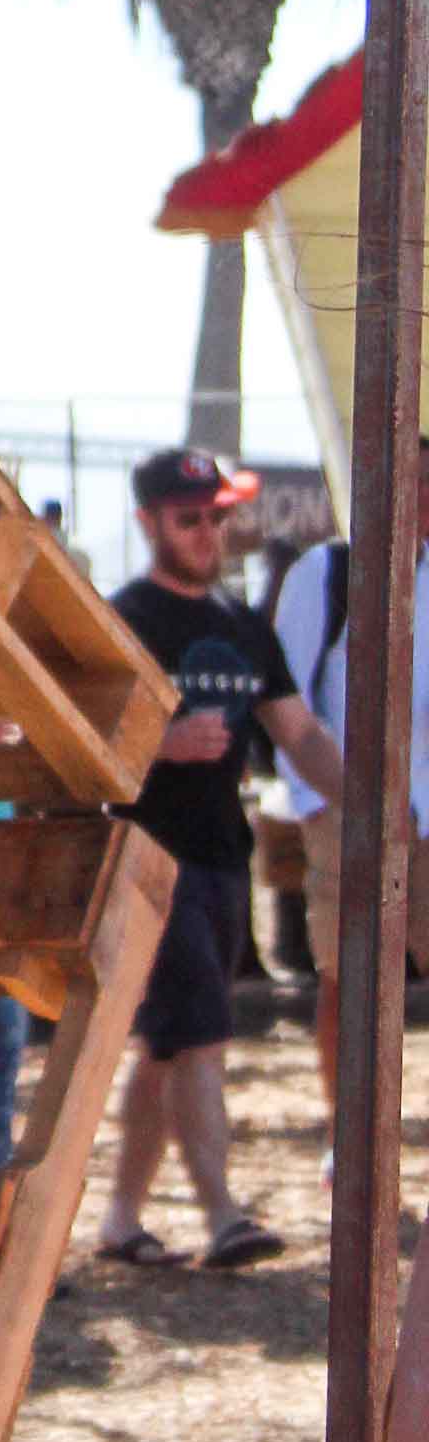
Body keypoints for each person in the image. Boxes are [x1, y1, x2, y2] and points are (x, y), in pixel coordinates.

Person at [96, 446, 342, 1271]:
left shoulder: (240, 625)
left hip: (222, 859)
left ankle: (122, 1220)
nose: (209, 533)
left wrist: (371, 799)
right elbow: (79, 743)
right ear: (150, 523)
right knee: (200, 1039)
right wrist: (159, 743)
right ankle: (224, 1215)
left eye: (217, 516)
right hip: (146, 860)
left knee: (168, 1048)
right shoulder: (122, 621)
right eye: (189, 518)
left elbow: (297, 732)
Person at [269, 457, 429, 1158]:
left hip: (427, 808)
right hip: (349, 810)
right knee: (351, 974)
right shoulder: (326, 574)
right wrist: (318, 805)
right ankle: (350, 1138)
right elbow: (286, 699)